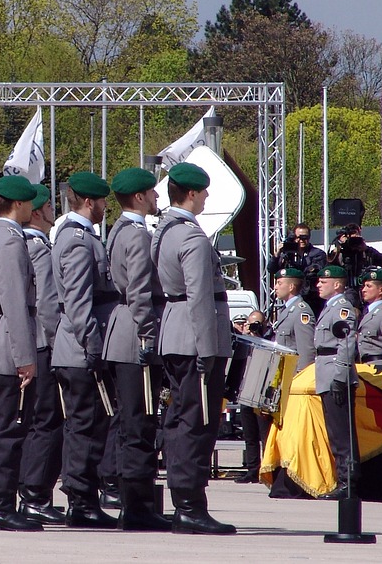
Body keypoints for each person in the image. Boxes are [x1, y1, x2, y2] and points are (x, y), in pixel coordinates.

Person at [152, 162, 236, 535]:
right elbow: (200, 296)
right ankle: (190, 505)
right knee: (197, 422)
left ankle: (185, 502)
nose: (206, 197)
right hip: (194, 337)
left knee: (180, 419)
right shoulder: (192, 237)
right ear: (190, 194)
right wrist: (207, 349)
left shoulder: (164, 231)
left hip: (175, 331)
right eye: (203, 192)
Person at [97, 168, 168, 531]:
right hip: (135, 336)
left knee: (131, 422)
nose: (156, 198)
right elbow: (140, 293)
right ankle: (138, 507)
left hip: (121, 331)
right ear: (139, 197)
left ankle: (133, 502)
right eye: (152, 193)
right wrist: (151, 334)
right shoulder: (137, 234)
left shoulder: (120, 230)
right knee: (140, 423)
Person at [51, 172, 120, 530]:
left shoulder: (80, 236)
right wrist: (93, 344)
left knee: (88, 425)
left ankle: (83, 499)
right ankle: (81, 502)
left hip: (77, 346)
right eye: (103, 201)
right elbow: (78, 303)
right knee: (85, 426)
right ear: (90, 202)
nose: (106, 207)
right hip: (80, 349)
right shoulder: (78, 241)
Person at [0, 176, 43, 532]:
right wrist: (25, 357)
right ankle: (1, 505)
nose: (32, 208)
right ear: (19, 204)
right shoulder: (13, 242)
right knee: (9, 429)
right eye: (29, 202)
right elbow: (16, 302)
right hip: (8, 342)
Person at [19, 183, 65, 524]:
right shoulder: (38, 247)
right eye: (49, 207)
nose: (52, 211)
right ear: (37, 212)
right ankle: (35, 495)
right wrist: (55, 341)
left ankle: (29, 492)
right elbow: (47, 303)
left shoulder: (19, 242)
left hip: (24, 342)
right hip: (41, 344)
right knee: (46, 422)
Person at [312, 265, 360, 501]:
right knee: (334, 432)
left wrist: (340, 378)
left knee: (342, 433)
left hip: (335, 374)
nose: (318, 285)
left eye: (324, 282)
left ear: (338, 284)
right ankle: (342, 478)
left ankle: (348, 481)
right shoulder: (329, 307)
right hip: (326, 372)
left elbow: (346, 345)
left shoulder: (342, 308)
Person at [236, 309, 274, 485]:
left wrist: (260, 336)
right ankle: (252, 469)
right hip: (246, 390)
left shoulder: (269, 340)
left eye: (256, 323)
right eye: (250, 324)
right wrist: (246, 336)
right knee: (249, 435)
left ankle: (267, 469)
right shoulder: (244, 341)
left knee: (265, 434)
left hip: (262, 392)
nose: (253, 327)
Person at [271, 268, 316, 371]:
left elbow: (306, 350)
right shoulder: (287, 310)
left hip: (294, 372)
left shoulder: (301, 312)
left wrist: (302, 375)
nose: (275, 287)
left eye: (279, 283)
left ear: (291, 287)